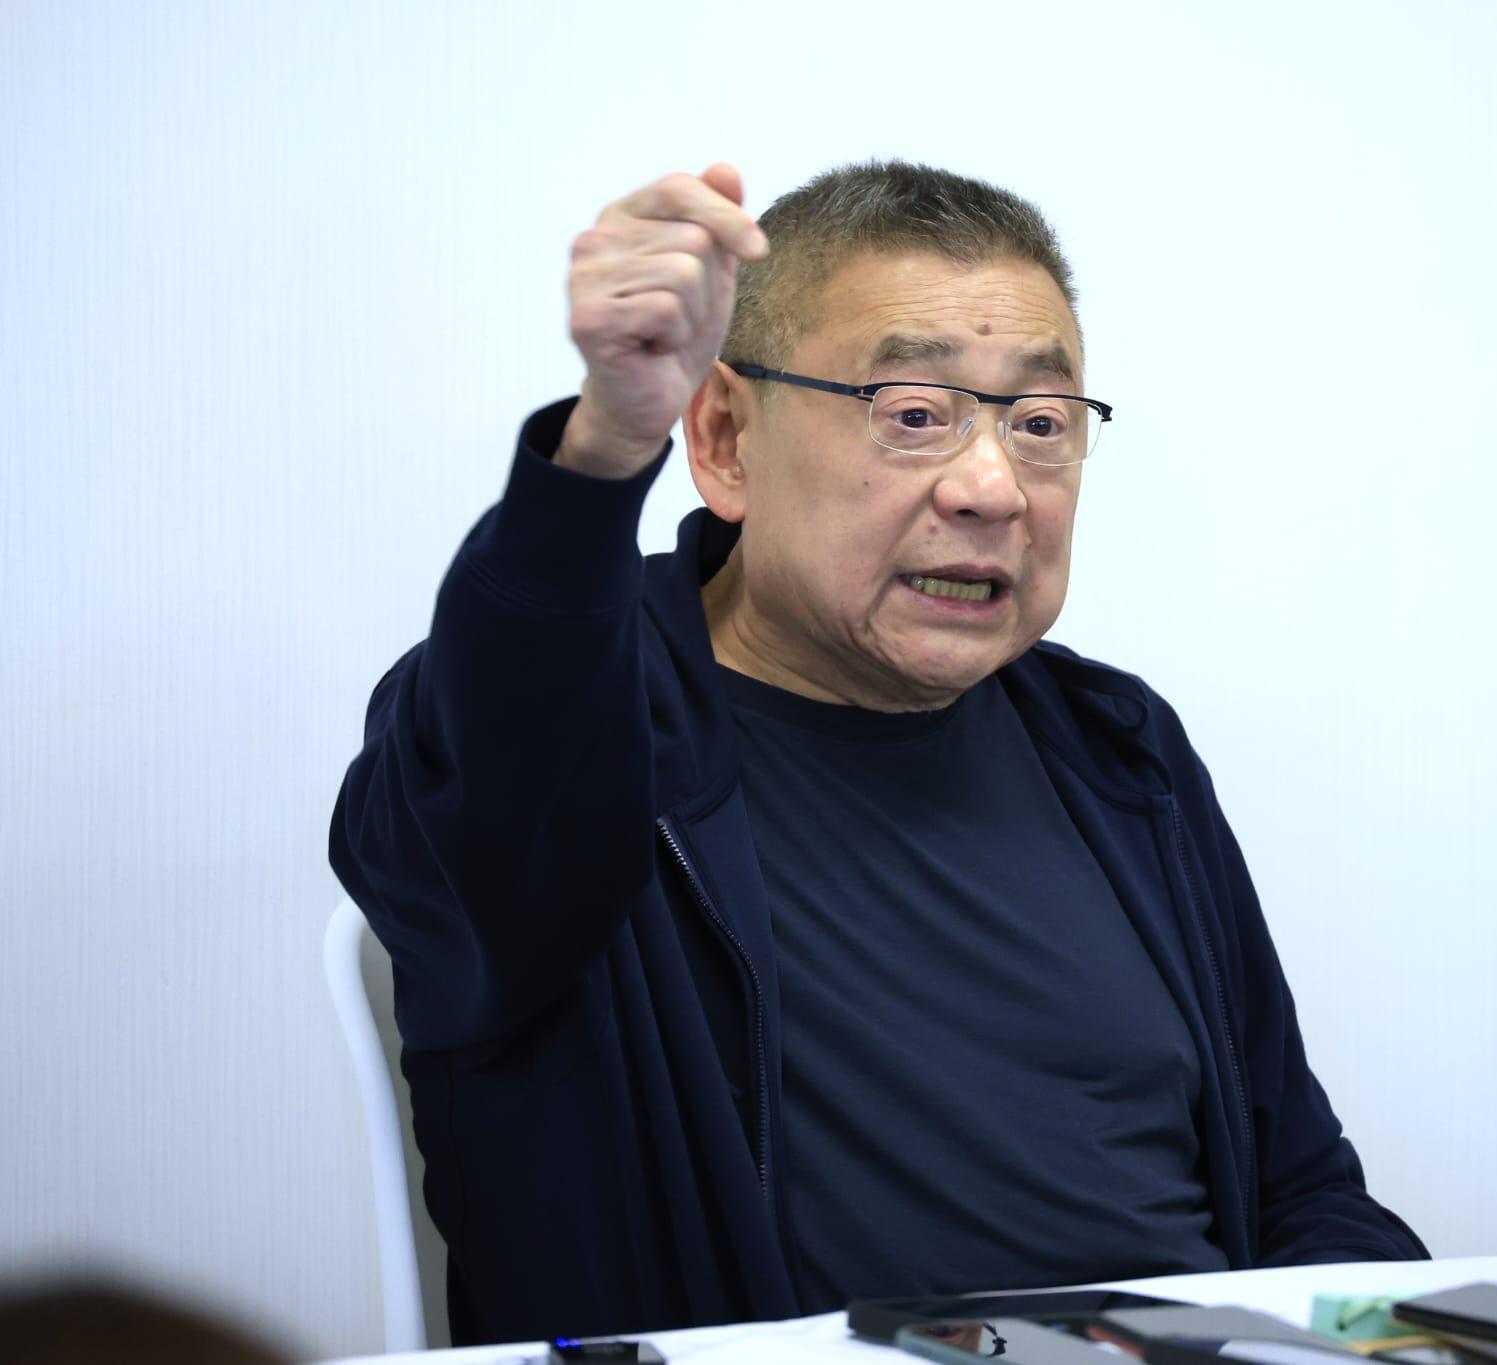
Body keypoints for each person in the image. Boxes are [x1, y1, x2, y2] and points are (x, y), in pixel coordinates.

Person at [330, 159, 1424, 1346]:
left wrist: (1385, 1339)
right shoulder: (581, 731)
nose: (993, 488)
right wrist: (602, 447)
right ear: (725, 440)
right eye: (913, 414)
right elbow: (504, 730)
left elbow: (1296, 1187)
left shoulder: (1119, 753)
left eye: (1039, 424)